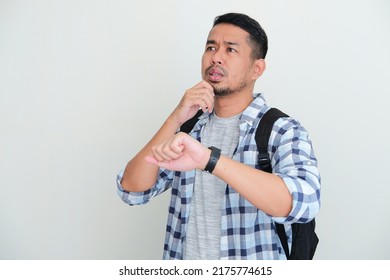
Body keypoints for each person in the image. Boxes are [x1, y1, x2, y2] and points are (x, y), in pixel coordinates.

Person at [116, 12, 321, 260]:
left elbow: (304, 203)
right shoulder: (190, 128)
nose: (215, 57)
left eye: (230, 50)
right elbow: (132, 189)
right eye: (210, 47)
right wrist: (175, 119)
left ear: (257, 68)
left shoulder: (281, 130)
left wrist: (208, 160)